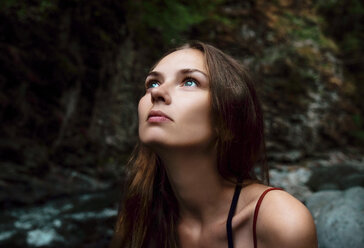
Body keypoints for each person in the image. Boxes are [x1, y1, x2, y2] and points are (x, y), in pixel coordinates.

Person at [110, 41, 318, 248]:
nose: (156, 92)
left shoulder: (280, 222)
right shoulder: (138, 215)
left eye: (189, 82)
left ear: (227, 121)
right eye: (152, 83)